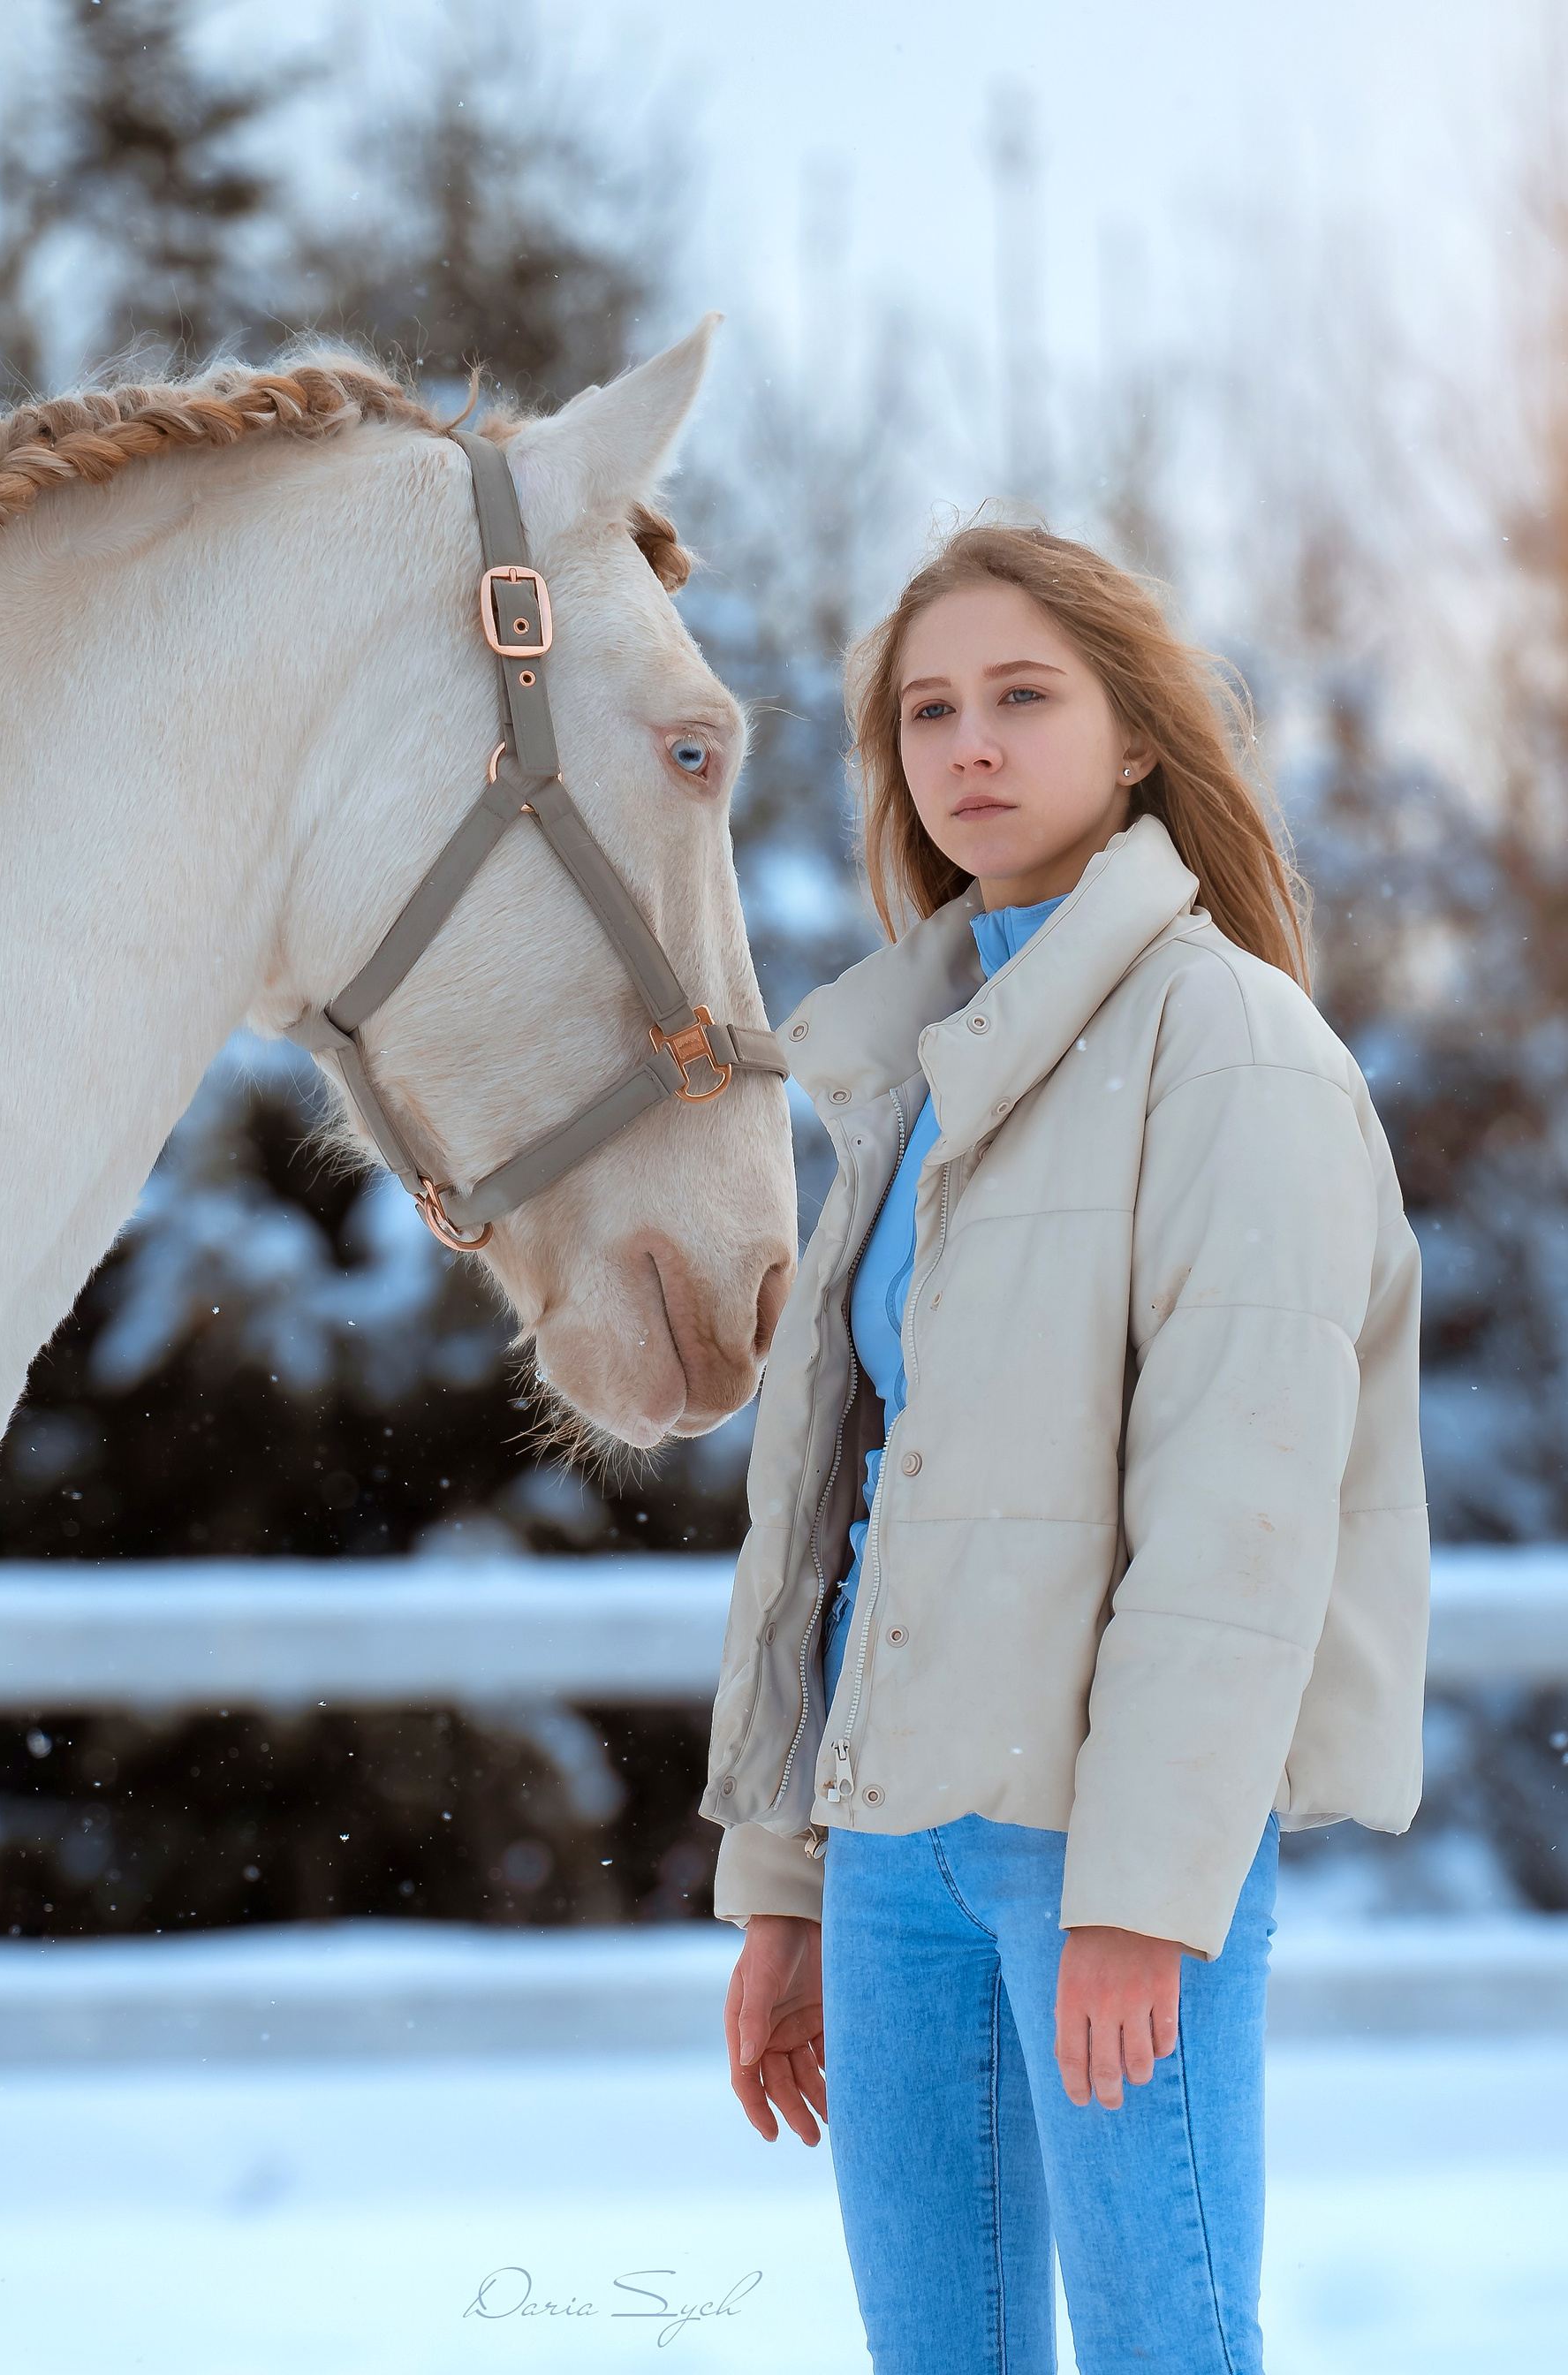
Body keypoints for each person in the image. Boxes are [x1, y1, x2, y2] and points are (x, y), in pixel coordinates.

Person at [700, 523, 1428, 2375]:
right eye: (928, 711)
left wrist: (1144, 1894)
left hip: (1099, 1856)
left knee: (1169, 2350)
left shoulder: (1232, 1046)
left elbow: (1240, 1517)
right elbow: (843, 1514)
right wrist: (789, 1883)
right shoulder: (914, 1064)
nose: (970, 746)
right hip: (890, 1856)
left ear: (1136, 737)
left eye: (1024, 697)